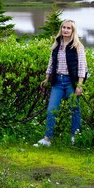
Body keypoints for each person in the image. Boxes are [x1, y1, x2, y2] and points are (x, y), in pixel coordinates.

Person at [35, 19, 87, 147]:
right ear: (61, 29)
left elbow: (82, 67)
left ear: (73, 30)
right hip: (57, 82)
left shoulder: (78, 46)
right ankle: (47, 139)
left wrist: (79, 85)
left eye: (68, 28)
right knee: (51, 110)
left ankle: (75, 137)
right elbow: (51, 63)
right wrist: (47, 78)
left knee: (74, 109)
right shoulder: (57, 45)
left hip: (71, 82)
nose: (65, 30)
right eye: (64, 27)